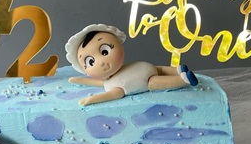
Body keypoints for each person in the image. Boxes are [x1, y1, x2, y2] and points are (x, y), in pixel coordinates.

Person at [65, 24, 198, 106]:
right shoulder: (113, 85)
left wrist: (86, 91)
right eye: (91, 62)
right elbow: (111, 92)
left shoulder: (113, 80)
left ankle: (178, 70)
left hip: (146, 67)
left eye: (105, 51)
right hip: (147, 80)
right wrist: (90, 97)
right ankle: (183, 79)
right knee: (155, 81)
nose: (101, 62)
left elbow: (103, 86)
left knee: (160, 69)